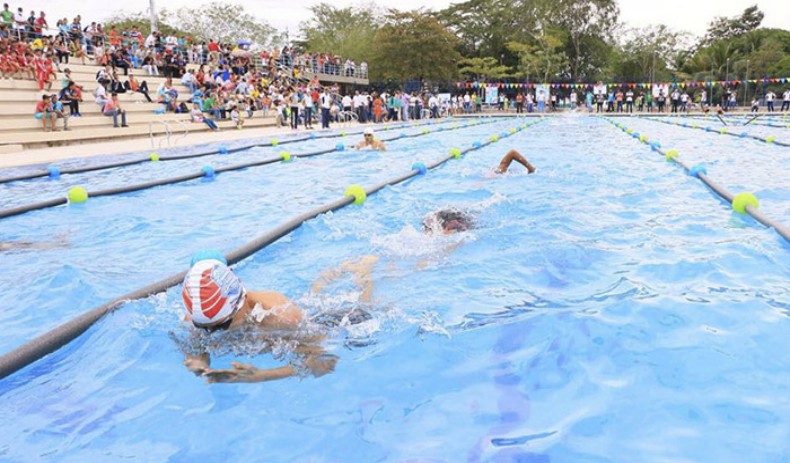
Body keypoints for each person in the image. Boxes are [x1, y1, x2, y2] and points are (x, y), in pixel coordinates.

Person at [180, 258, 338, 383]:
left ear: (241, 301)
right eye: (202, 327)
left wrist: (259, 376)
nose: (211, 334)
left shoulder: (280, 318)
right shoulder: (195, 316)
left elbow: (324, 363)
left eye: (222, 325)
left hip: (333, 319)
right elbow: (196, 352)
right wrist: (199, 366)